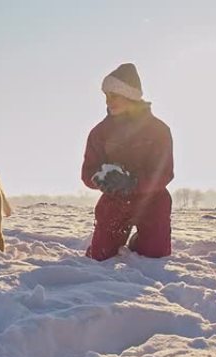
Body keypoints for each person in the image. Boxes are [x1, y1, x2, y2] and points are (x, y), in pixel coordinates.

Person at [81, 63, 174, 261]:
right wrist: (100, 178)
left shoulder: (159, 130)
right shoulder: (99, 133)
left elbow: (164, 172)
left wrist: (133, 182)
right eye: (106, 96)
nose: (108, 101)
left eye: (114, 95)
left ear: (130, 96)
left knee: (156, 255)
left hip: (152, 199)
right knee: (101, 257)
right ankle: (106, 242)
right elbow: (88, 171)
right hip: (115, 200)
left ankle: (140, 242)